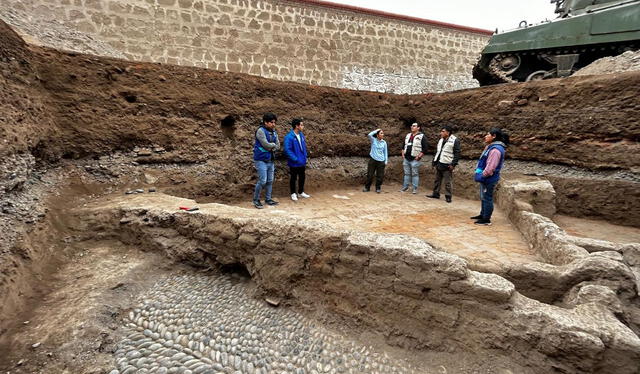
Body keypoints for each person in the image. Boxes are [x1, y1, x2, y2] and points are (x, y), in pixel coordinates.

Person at [472, 128, 509, 225]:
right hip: (486, 177)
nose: (485, 136)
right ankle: (483, 214)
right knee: (484, 196)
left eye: (488, 134)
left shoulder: (495, 150)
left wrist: (483, 175)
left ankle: (486, 219)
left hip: (488, 178)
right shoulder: (491, 147)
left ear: (494, 136)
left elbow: (491, 167)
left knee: (487, 197)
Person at [426, 125, 461, 203]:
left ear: (448, 133)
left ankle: (448, 196)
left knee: (448, 182)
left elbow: (457, 153)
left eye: (443, 131)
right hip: (439, 162)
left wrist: (453, 164)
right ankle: (435, 193)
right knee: (437, 180)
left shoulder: (455, 140)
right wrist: (434, 161)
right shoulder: (441, 140)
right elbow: (438, 151)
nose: (441, 133)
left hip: (447, 164)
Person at [252, 113, 280, 209]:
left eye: (274, 122)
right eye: (271, 122)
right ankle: (256, 200)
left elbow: (278, 146)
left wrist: (271, 146)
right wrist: (273, 146)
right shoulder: (260, 131)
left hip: (270, 159)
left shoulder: (274, 132)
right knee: (262, 180)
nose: (273, 124)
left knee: (270, 180)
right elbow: (266, 145)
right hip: (261, 159)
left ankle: (268, 199)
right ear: (265, 122)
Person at [283, 118, 311, 201]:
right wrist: (295, 159)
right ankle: (293, 193)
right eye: (301, 125)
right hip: (294, 162)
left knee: (302, 176)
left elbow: (303, 147)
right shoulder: (289, 137)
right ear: (297, 126)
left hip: (302, 161)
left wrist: (305, 156)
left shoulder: (301, 135)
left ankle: (301, 192)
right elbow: (287, 150)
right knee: (293, 178)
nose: (303, 126)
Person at [400, 123, 428, 194]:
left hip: (415, 159)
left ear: (418, 128)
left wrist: (419, 156)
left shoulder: (422, 136)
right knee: (406, 174)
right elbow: (403, 146)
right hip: (406, 158)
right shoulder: (408, 135)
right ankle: (405, 187)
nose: (412, 127)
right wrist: (403, 155)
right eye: (411, 126)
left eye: (414, 126)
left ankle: (414, 189)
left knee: (415, 174)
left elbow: (425, 148)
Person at [363, 128, 388, 193]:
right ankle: (367, 188)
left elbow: (385, 152)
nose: (383, 134)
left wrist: (386, 161)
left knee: (380, 176)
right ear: (377, 135)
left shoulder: (384, 142)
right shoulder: (373, 140)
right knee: (370, 175)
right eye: (381, 133)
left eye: (383, 133)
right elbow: (369, 135)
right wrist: (376, 130)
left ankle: (378, 188)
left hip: (381, 161)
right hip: (373, 160)